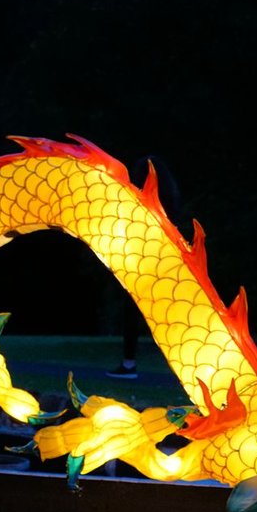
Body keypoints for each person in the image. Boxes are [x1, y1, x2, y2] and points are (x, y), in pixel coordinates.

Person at [108, 154, 183, 379]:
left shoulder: (140, 201)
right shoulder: (171, 201)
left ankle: (129, 363)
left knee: (133, 313)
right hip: (167, 263)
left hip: (142, 263)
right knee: (169, 316)